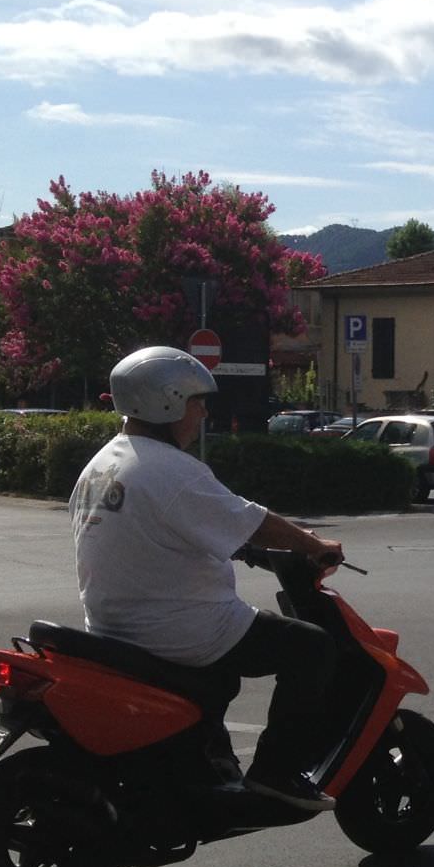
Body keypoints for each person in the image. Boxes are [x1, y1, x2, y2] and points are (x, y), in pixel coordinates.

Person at [70, 345, 345, 812]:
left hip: (115, 625)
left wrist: (239, 544)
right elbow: (251, 518)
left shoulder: (104, 463)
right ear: (167, 401)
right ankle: (277, 773)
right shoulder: (172, 470)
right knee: (313, 648)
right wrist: (311, 544)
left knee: (222, 676)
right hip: (178, 628)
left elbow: (160, 530)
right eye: (197, 400)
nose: (203, 411)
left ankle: (207, 758)